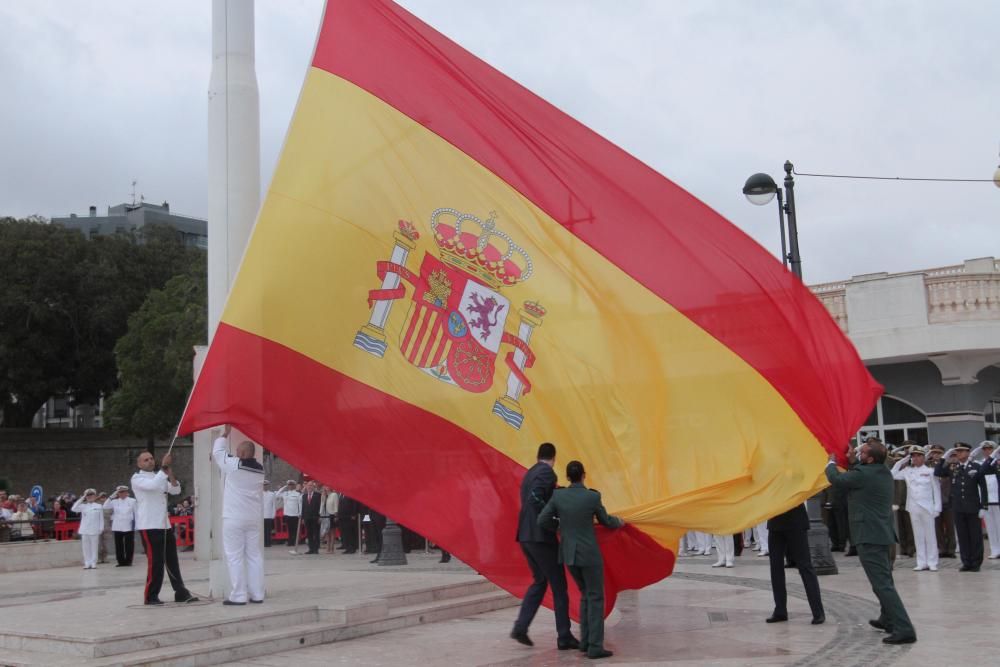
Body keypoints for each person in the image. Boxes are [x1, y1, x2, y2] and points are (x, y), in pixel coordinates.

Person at [826, 438, 916, 644]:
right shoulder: (881, 470)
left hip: (870, 536)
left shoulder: (865, 474)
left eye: (863, 452)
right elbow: (858, 473)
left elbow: (838, 480)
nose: (859, 453)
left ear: (870, 458)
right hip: (882, 535)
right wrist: (851, 460)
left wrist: (831, 463)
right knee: (885, 581)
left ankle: (904, 628)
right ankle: (888, 619)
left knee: (882, 585)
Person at [538, 460, 624, 660]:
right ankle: (594, 646)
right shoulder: (592, 496)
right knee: (595, 597)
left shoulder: (558, 496)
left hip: (568, 553)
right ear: (583, 475)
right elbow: (606, 521)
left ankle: (585, 641)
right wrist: (619, 522)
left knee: (586, 595)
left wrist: (559, 529)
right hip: (589, 554)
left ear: (567, 477)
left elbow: (542, 520)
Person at [510, 442, 578, 651]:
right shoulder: (547, 472)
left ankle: (520, 627)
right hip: (540, 537)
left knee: (540, 581)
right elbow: (535, 497)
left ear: (538, 455)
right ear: (553, 458)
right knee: (559, 586)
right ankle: (564, 636)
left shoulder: (530, 473)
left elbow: (535, 496)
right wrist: (552, 519)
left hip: (525, 536)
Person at [132, 451, 198, 605]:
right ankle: (151, 595)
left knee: (172, 560)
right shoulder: (137, 478)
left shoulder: (159, 476)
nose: (149, 461)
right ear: (139, 464)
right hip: (149, 525)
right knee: (155, 562)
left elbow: (176, 490)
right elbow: (152, 485)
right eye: (145, 460)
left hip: (164, 524)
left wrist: (170, 474)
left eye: (151, 459)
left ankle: (180, 592)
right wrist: (163, 469)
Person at [213, 426, 266, 605]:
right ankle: (257, 594)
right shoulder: (260, 470)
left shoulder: (235, 465)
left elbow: (218, 452)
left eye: (237, 451)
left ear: (242, 453)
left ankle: (239, 595)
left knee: (234, 556)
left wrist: (224, 434)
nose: (234, 453)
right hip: (252, 518)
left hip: (234, 517)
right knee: (254, 556)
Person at [764, 503, 825, 625]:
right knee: (776, 568)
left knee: (805, 567)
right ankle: (780, 610)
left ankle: (818, 612)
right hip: (775, 520)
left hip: (795, 521)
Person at [934, 442, 988, 572]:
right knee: (963, 536)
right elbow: (938, 472)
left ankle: (975, 562)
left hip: (973, 507)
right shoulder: (953, 467)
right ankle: (966, 562)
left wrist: (983, 506)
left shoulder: (976, 466)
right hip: (958, 507)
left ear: (968, 452)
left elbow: (983, 487)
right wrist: (943, 458)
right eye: (957, 451)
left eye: (961, 451)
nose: (958, 454)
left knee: (975, 536)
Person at [890, 446, 941, 571]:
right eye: (913, 456)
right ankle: (921, 561)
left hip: (927, 507)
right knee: (918, 536)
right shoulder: (908, 471)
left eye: (918, 455)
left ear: (924, 457)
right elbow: (892, 474)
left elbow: (936, 490)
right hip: (913, 507)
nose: (915, 458)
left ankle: (932, 562)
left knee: (930, 535)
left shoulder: (930, 471)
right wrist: (903, 460)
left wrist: (937, 508)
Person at [927, 444, 957, 558]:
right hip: (934, 500)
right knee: (937, 527)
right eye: (934, 453)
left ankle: (951, 549)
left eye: (938, 453)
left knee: (950, 526)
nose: (936, 455)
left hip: (947, 499)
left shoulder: (949, 465)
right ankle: (941, 549)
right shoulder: (928, 465)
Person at [972, 441, 1000, 559]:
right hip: (987, 499)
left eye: (990, 449)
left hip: (998, 498)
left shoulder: (998, 463)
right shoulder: (981, 464)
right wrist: (975, 451)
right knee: (990, 527)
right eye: (985, 449)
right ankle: (995, 550)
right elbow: (981, 469)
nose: (987, 451)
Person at [103, 485, 137, 566]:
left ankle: (129, 561)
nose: (122, 494)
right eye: (120, 492)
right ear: (117, 493)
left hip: (129, 525)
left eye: (123, 492)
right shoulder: (114, 501)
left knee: (129, 545)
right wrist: (111, 496)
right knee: (119, 545)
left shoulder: (132, 501)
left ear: (126, 492)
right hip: (117, 525)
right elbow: (105, 506)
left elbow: (136, 513)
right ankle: (120, 561)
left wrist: (136, 525)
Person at [72, 489, 105, 568]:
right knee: (86, 548)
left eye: (91, 495)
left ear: (95, 496)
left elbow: (101, 519)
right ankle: (87, 563)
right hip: (85, 530)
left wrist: (101, 528)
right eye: (88, 495)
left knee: (94, 547)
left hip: (94, 529)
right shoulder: (83, 506)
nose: (90, 497)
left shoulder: (99, 506)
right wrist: (82, 498)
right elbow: (73, 508)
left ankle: (93, 563)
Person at [276, 480, 302, 548]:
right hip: (287, 514)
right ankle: (290, 542)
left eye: (291, 485)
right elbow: (277, 495)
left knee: (295, 529)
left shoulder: (297, 494)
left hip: (295, 514)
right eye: (289, 485)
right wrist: (284, 487)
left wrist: (300, 513)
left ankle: (295, 542)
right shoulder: (285, 493)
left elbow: (300, 504)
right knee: (289, 529)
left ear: (294, 486)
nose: (290, 486)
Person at [300, 480, 322, 555]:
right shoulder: (304, 496)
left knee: (316, 534)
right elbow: (303, 507)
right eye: (308, 485)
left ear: (314, 487)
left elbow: (320, 507)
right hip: (307, 518)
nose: (309, 487)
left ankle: (316, 549)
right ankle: (311, 549)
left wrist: (320, 516)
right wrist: (303, 518)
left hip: (315, 517)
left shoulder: (318, 495)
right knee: (309, 534)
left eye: (311, 485)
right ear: (306, 487)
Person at [262, 481, 276, 547]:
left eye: (266, 485)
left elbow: (274, 505)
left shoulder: (272, 494)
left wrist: (273, 514)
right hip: (261, 515)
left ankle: (268, 543)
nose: (265, 486)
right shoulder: (259, 493)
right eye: (264, 485)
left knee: (268, 530)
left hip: (269, 515)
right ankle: (263, 543)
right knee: (262, 531)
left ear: (268, 486)